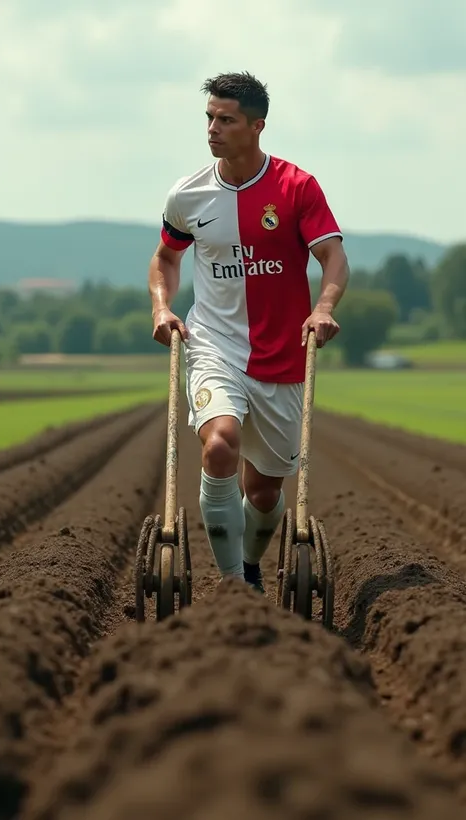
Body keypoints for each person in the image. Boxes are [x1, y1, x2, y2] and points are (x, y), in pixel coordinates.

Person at [148, 71, 349, 594]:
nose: (213, 128)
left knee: (262, 492)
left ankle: (252, 563)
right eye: (209, 118)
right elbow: (166, 259)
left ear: (257, 126)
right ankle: (235, 584)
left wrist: (323, 308)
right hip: (213, 342)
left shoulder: (297, 187)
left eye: (226, 119)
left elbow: (333, 257)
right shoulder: (187, 194)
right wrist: (162, 307)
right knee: (219, 446)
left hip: (283, 355)